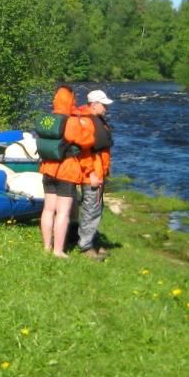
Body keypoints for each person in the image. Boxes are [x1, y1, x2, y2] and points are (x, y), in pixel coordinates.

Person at [37, 86, 95, 259]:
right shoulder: (71, 121)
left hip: (47, 169)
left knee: (48, 209)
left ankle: (47, 246)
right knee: (62, 212)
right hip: (66, 171)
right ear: (70, 100)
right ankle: (58, 251)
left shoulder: (47, 119)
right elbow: (87, 140)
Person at [77, 90, 114, 259]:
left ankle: (91, 241)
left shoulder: (96, 119)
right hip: (91, 174)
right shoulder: (86, 122)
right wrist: (91, 172)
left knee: (96, 208)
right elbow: (84, 151)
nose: (106, 107)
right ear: (93, 104)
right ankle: (85, 246)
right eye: (103, 104)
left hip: (99, 172)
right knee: (91, 208)